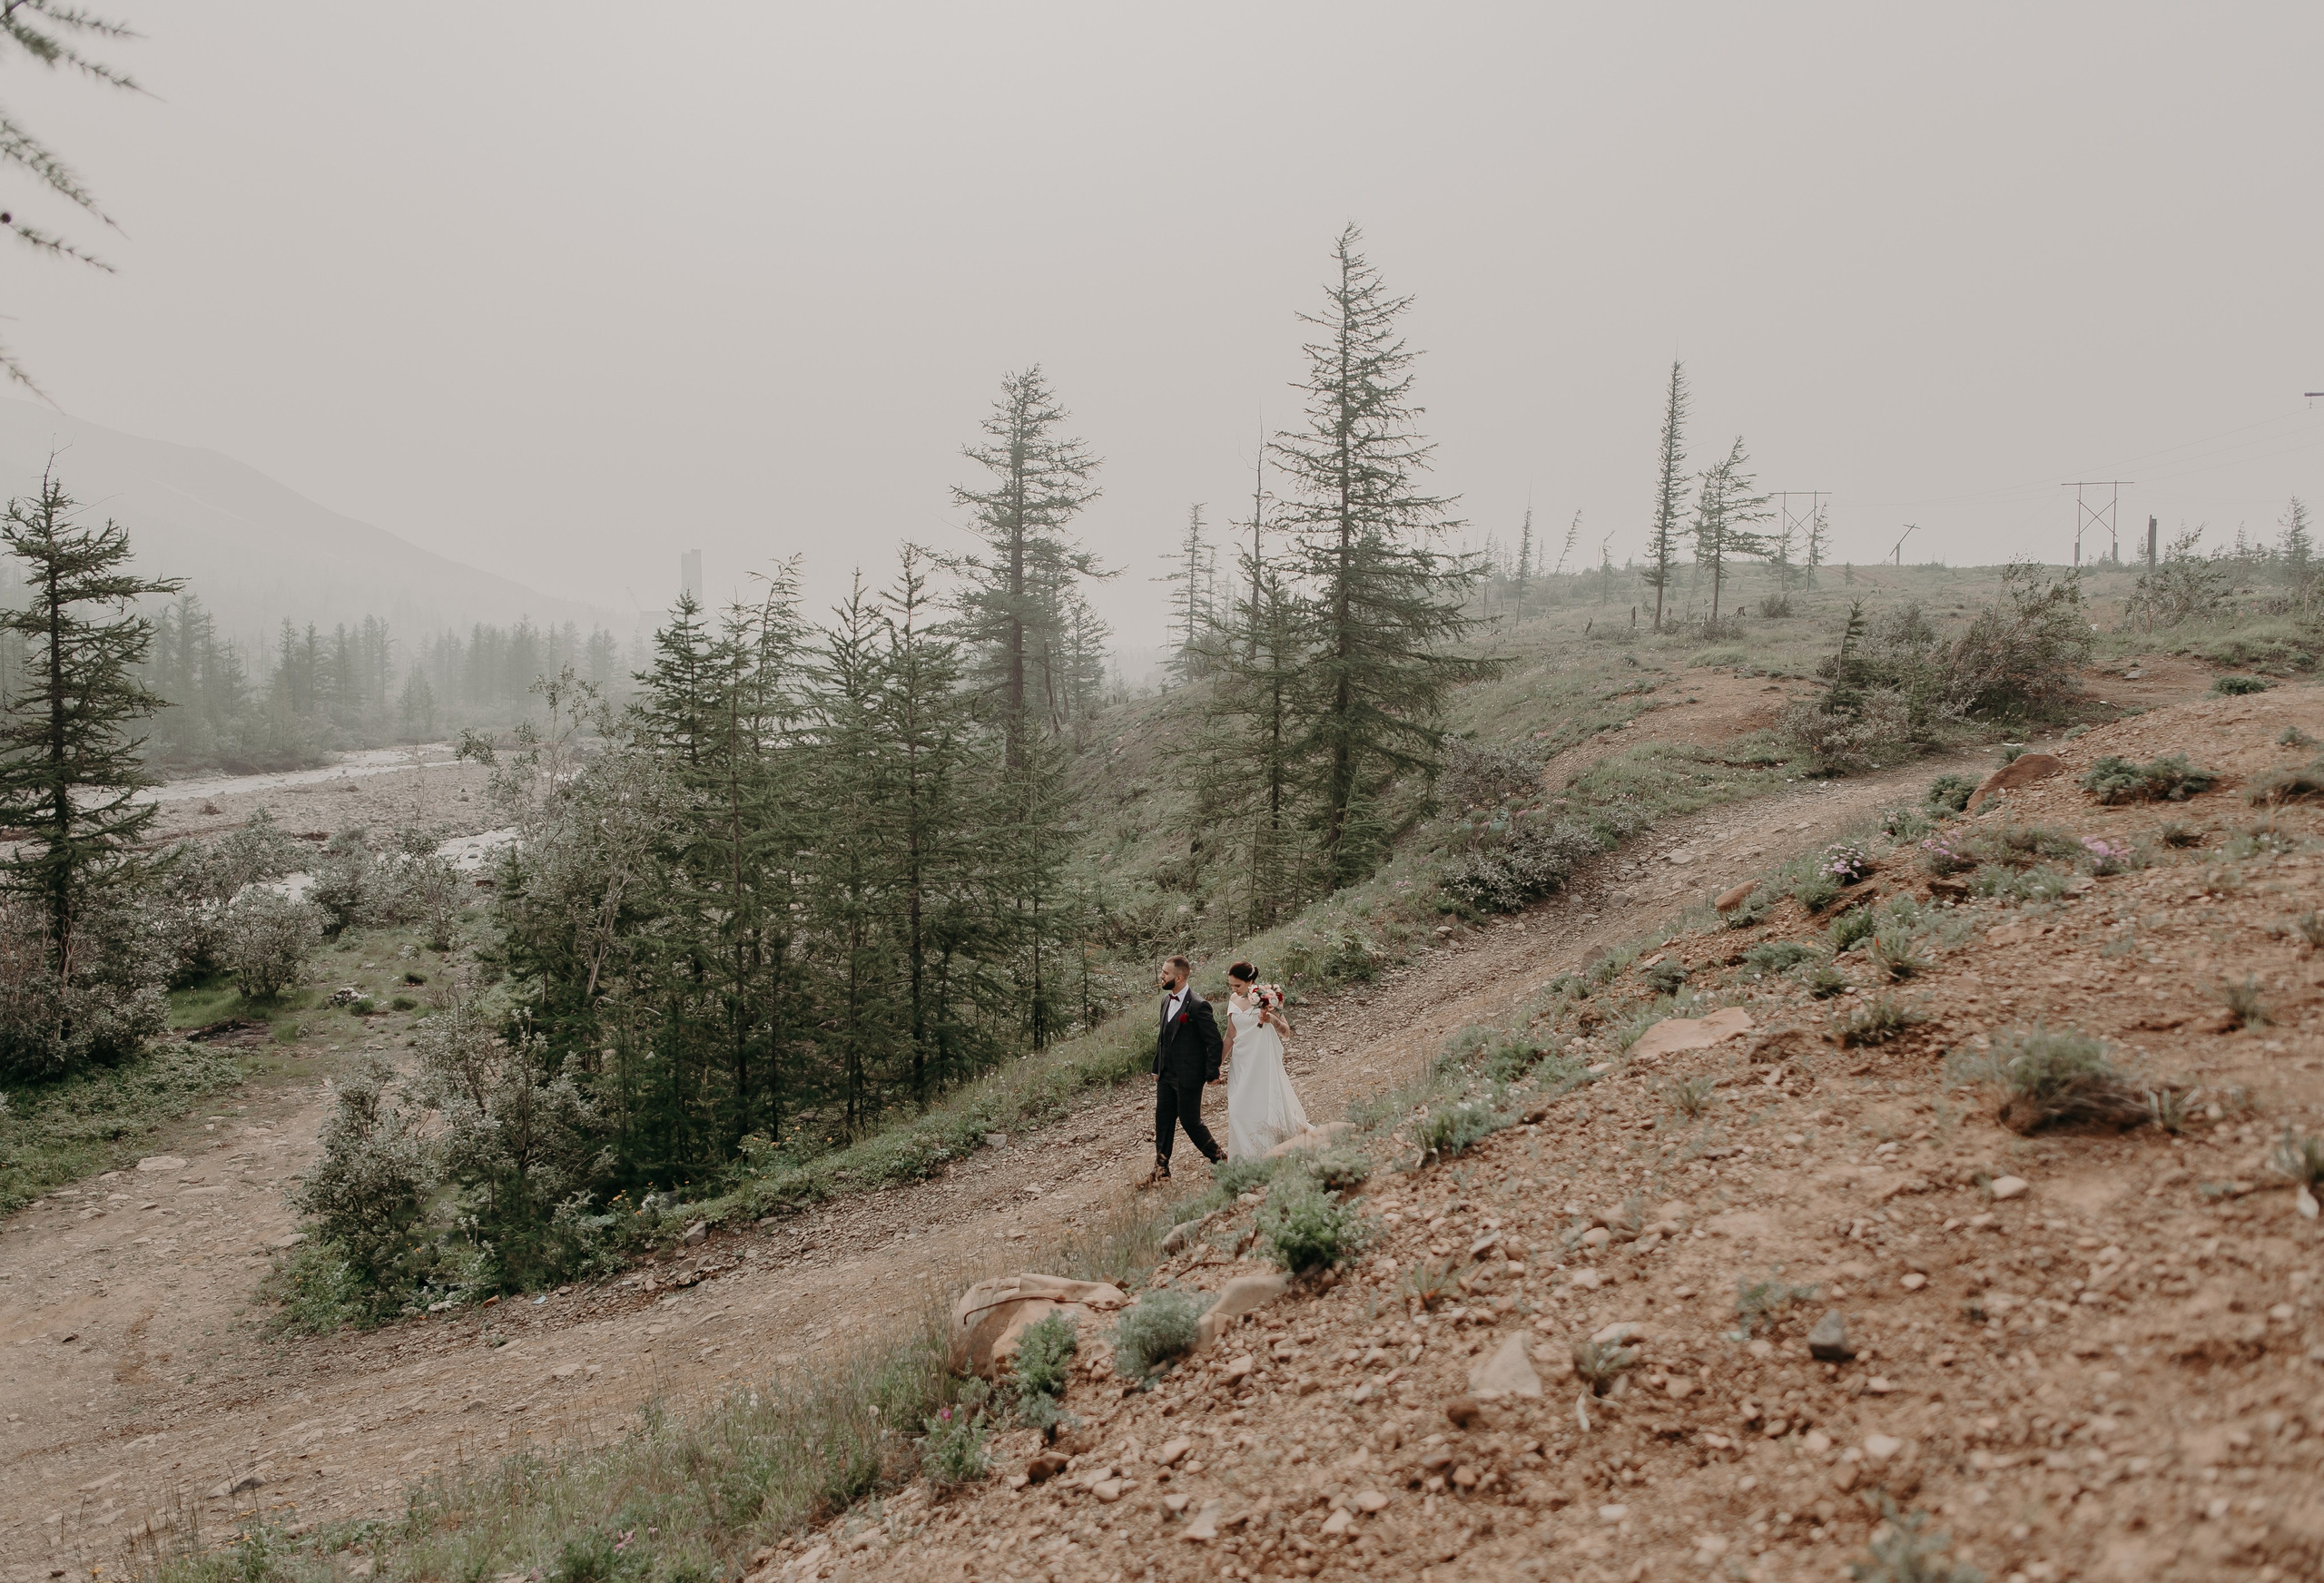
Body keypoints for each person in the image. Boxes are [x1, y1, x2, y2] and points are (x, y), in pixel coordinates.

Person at [1146, 954, 1222, 1185]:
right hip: (1166, 1074)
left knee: (1190, 1122)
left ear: (1178, 978)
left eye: (1165, 973)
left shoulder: (1198, 1005)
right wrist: (1157, 1067)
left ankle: (1220, 1159)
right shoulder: (1165, 1001)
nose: (1161, 976)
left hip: (1189, 1076)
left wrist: (1211, 1072)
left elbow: (1214, 1042)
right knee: (1163, 1120)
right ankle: (1162, 1169)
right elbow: (1163, 1038)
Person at [1222, 961, 1310, 1160]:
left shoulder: (1267, 998)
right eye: (1231, 985)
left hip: (1262, 1061)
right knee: (1237, 1109)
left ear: (1250, 981)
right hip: (1241, 1062)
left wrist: (1272, 1019)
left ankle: (1269, 1154)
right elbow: (1230, 1036)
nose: (1234, 989)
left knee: (1261, 1105)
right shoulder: (1233, 999)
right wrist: (1216, 1064)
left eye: (1237, 985)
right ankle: (1247, 1156)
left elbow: (1286, 1032)